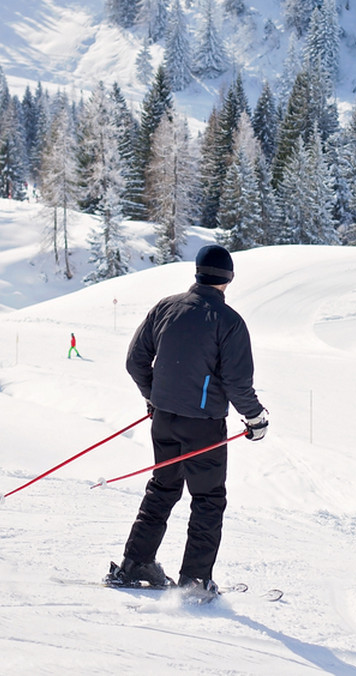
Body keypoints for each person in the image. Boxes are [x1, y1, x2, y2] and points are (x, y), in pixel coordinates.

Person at [109, 244, 268, 598]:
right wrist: (255, 417)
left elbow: (136, 361)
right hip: (204, 426)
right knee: (208, 499)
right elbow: (238, 382)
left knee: (162, 488)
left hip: (163, 419)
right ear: (228, 279)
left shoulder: (166, 307)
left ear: (197, 273)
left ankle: (135, 563)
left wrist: (153, 397)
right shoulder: (228, 322)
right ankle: (195, 581)